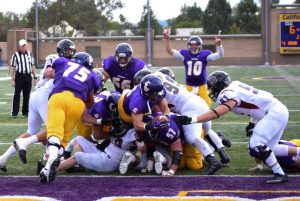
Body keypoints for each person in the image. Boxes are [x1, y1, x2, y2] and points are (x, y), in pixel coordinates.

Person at [174, 71, 289, 184]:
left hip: (274, 113)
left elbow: (217, 113)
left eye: (212, 87)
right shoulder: (236, 85)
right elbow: (258, 102)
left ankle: (280, 174)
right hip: (277, 110)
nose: (211, 91)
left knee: (256, 144)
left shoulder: (227, 93)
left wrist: (192, 119)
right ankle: (287, 164)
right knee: (270, 150)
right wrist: (252, 123)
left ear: (219, 85)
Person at [134, 69, 225, 175]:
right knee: (206, 130)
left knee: (191, 137)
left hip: (189, 108)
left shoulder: (153, 88)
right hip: (198, 101)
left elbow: (159, 111)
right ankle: (222, 153)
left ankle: (213, 161)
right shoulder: (159, 76)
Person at [39, 52, 102, 183]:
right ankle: (46, 170)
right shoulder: (92, 76)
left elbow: (48, 73)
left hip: (60, 96)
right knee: (64, 139)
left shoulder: (63, 62)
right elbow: (90, 101)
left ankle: (51, 157)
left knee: (54, 132)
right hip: (78, 104)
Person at [0, 54, 57, 171]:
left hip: (35, 96)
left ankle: (3, 158)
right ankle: (48, 153)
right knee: (53, 130)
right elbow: (50, 72)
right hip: (44, 96)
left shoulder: (50, 65)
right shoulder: (56, 64)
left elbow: (47, 73)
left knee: (32, 132)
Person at [163, 29, 224, 107]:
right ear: (189, 45)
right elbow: (170, 51)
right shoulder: (185, 54)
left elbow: (220, 55)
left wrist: (219, 46)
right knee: (185, 106)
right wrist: (167, 39)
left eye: (196, 44)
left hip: (202, 86)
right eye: (192, 44)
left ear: (200, 45)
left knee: (206, 107)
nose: (194, 46)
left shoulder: (205, 55)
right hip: (189, 86)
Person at [10, 39, 37, 118]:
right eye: (22, 46)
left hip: (28, 76)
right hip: (19, 76)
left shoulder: (30, 54)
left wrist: (35, 77)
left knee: (27, 95)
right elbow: (12, 68)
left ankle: (25, 112)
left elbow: (33, 66)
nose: (24, 47)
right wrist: (12, 80)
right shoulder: (15, 55)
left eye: (25, 45)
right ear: (19, 46)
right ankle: (14, 113)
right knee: (17, 94)